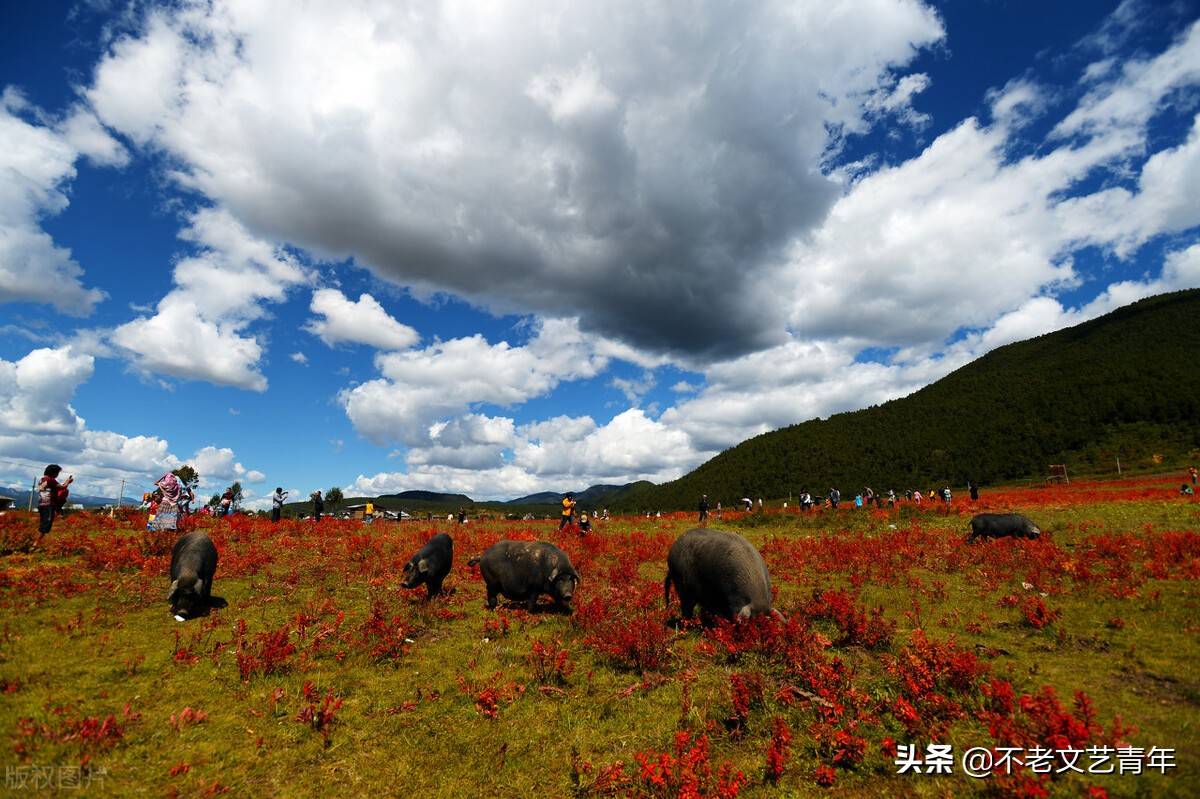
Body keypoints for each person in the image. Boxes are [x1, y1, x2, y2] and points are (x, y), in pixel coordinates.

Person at [35, 464, 72, 544]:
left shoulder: (42, 480)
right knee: (46, 524)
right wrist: (68, 482)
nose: (57, 475)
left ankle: (36, 541)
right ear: (53, 472)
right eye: (57, 473)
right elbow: (62, 487)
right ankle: (36, 542)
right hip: (49, 504)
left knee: (44, 522)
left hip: (41, 503)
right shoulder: (51, 480)